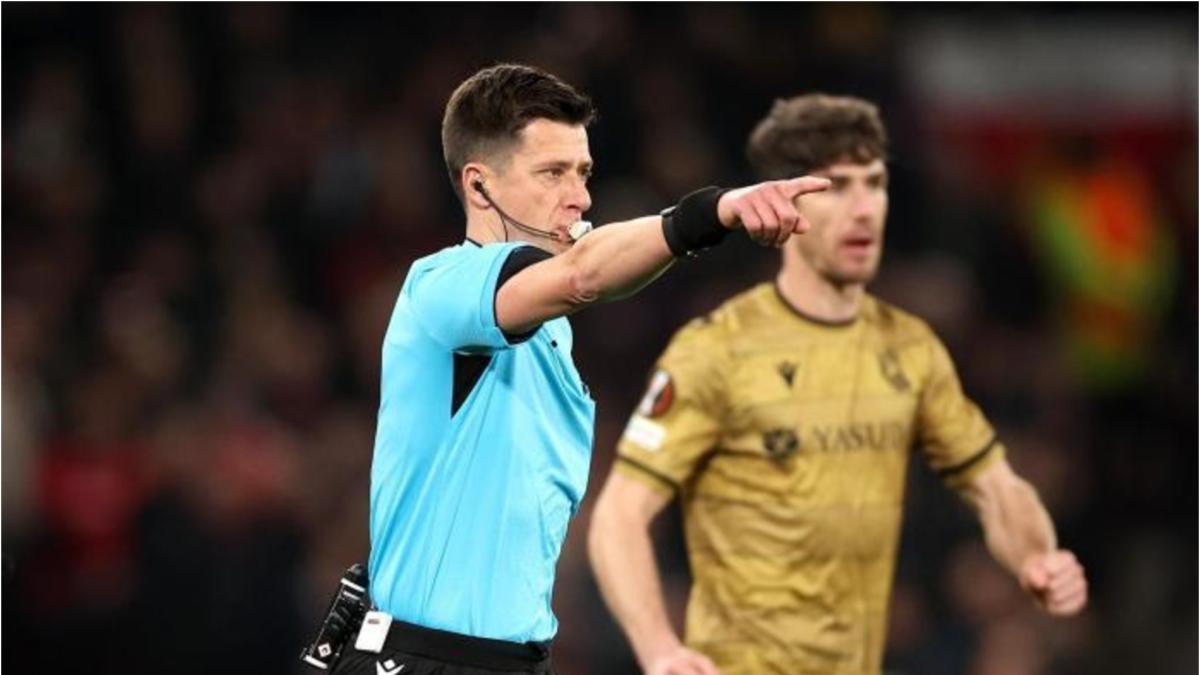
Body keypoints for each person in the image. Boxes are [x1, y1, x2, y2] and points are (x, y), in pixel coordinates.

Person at [326, 64, 831, 675]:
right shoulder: (441, 286)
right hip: (424, 660)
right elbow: (583, 274)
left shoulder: (551, 331)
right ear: (479, 187)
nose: (581, 196)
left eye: (583, 172)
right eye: (553, 173)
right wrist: (710, 213)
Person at [587, 94, 1089, 675]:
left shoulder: (911, 349)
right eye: (837, 188)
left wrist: (1037, 558)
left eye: (873, 185)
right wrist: (660, 650)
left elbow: (995, 487)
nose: (864, 209)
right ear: (783, 200)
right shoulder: (716, 350)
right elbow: (618, 517)